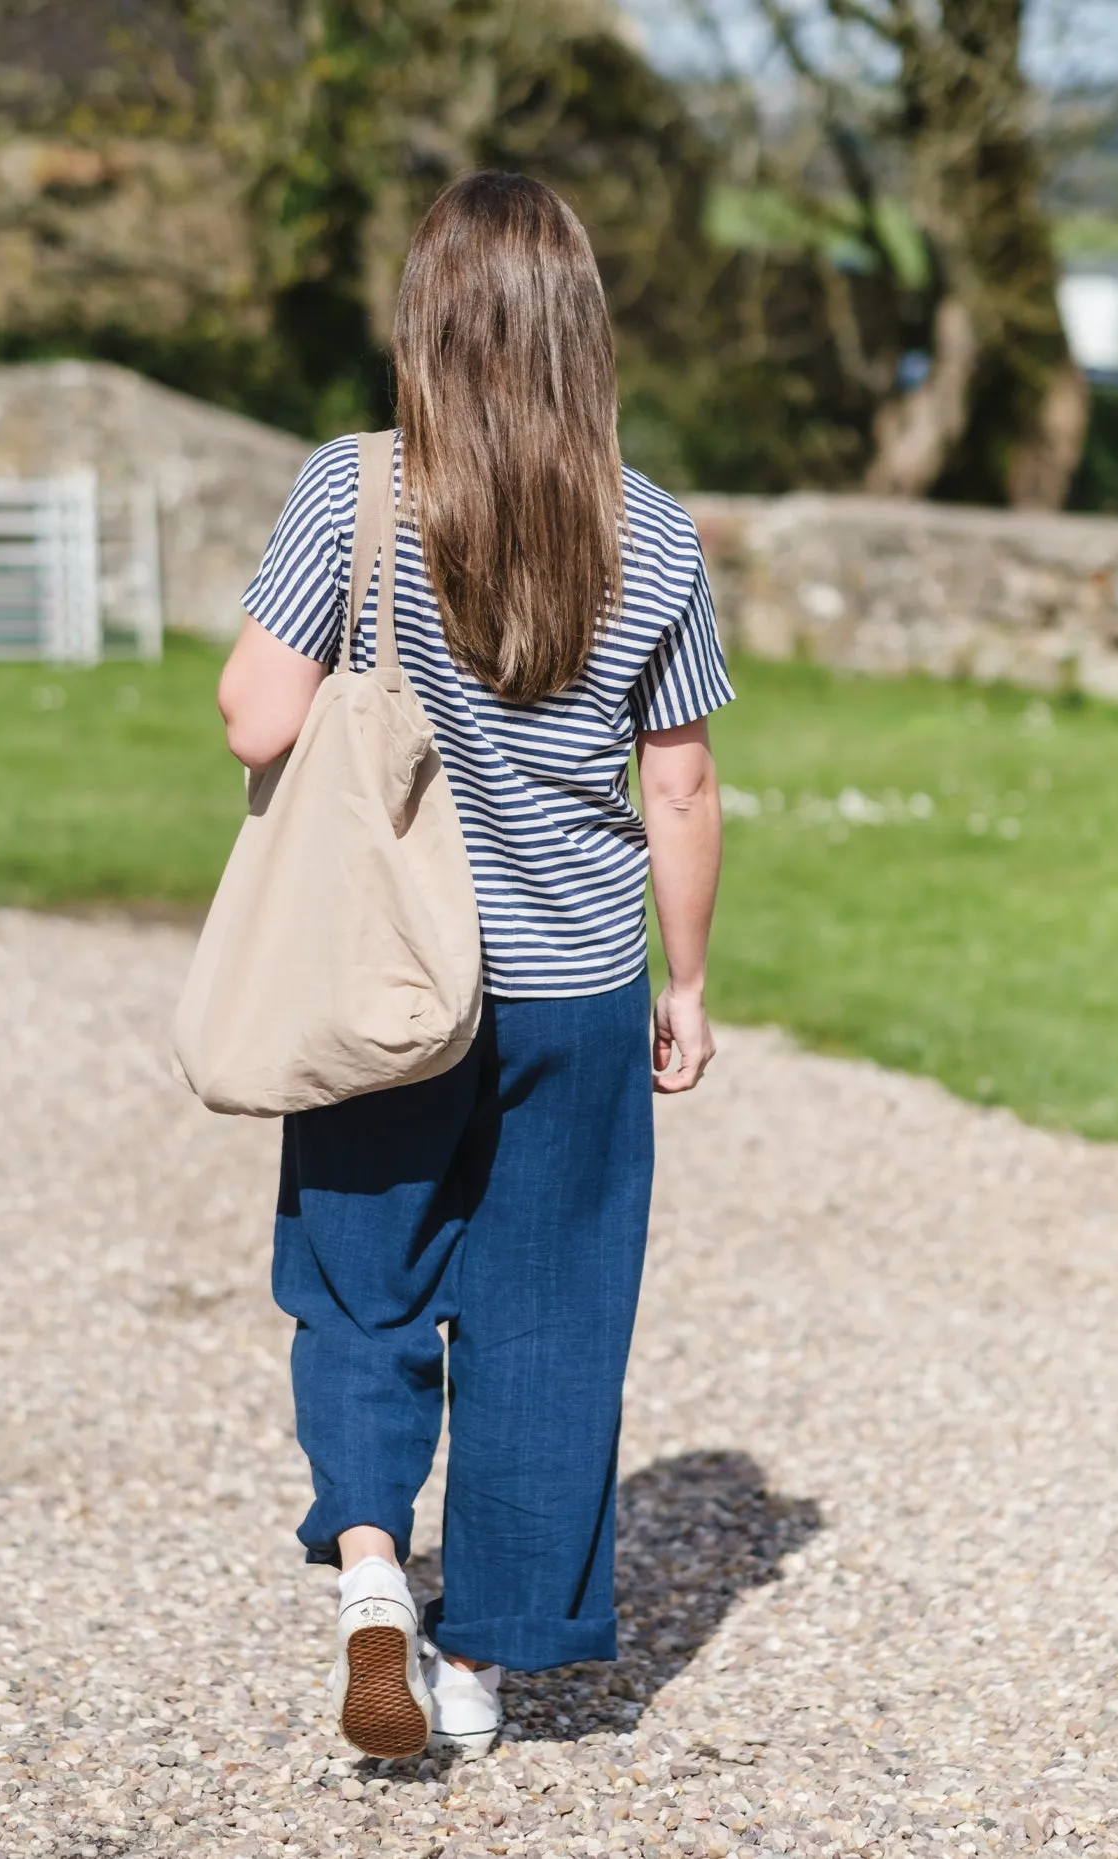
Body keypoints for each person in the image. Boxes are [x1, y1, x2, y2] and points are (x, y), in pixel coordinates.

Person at [216, 170, 732, 1761]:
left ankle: (375, 1572)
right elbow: (681, 784)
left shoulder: (354, 493)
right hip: (573, 983)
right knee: (551, 1316)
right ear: (581, 326)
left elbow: (255, 712)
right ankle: (487, 1670)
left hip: (386, 976)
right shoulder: (649, 528)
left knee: (364, 1287)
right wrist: (688, 979)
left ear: (423, 322)